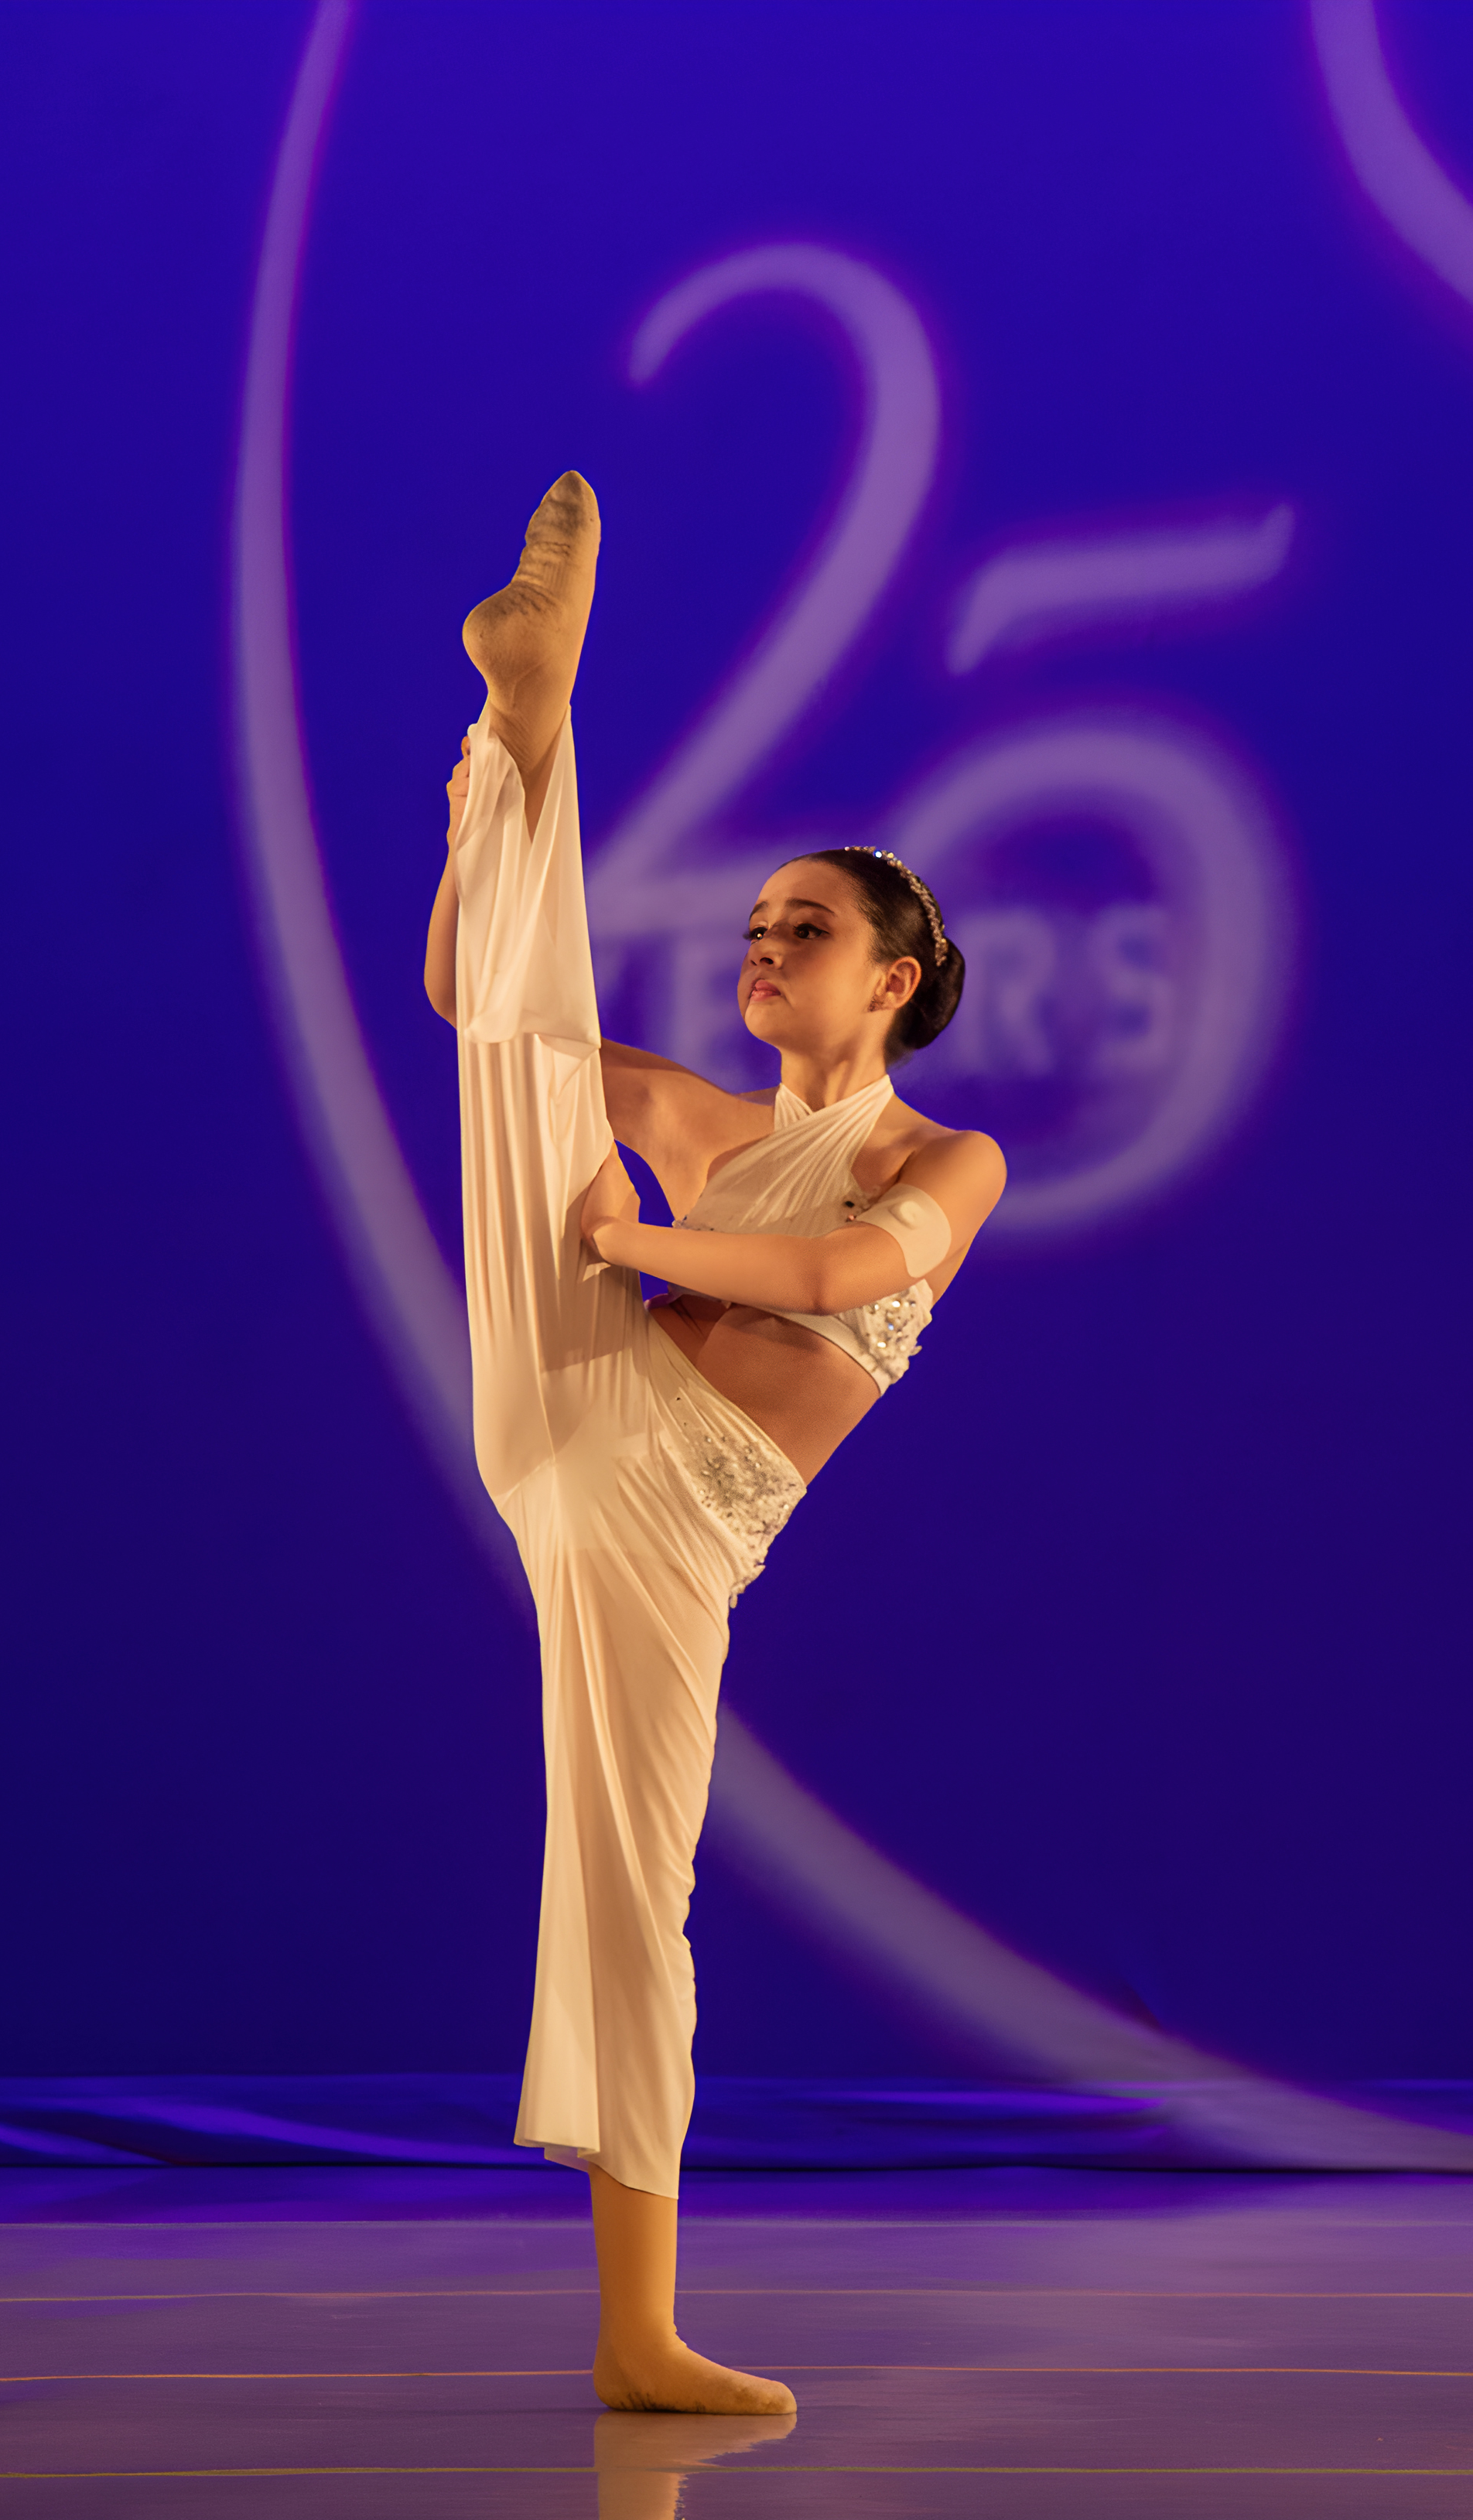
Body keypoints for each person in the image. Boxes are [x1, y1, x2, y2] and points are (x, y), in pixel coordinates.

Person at [424, 473, 1006, 2414]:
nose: (764, 947)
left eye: (804, 929)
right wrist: (488, 826)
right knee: (523, 1046)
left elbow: (843, 1268)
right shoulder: (694, 1115)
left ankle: (634, 2330)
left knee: (621, 1885)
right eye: (756, 926)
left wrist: (633, 1242)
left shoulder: (949, 1155)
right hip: (585, 1424)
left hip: (663, 1496)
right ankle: (526, 725)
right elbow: (472, 1002)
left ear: (891, 980)